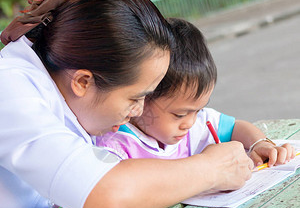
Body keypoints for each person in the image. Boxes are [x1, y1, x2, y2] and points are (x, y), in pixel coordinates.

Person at [0, 0, 253, 208]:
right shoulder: (10, 90)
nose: (137, 111)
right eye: (136, 97)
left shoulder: (50, 91)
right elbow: (107, 193)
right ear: (82, 82)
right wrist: (212, 169)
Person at [97, 18, 295, 167]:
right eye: (180, 114)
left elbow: (236, 127)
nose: (190, 123)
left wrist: (259, 144)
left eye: (199, 110)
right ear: (142, 97)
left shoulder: (195, 125)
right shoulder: (116, 147)